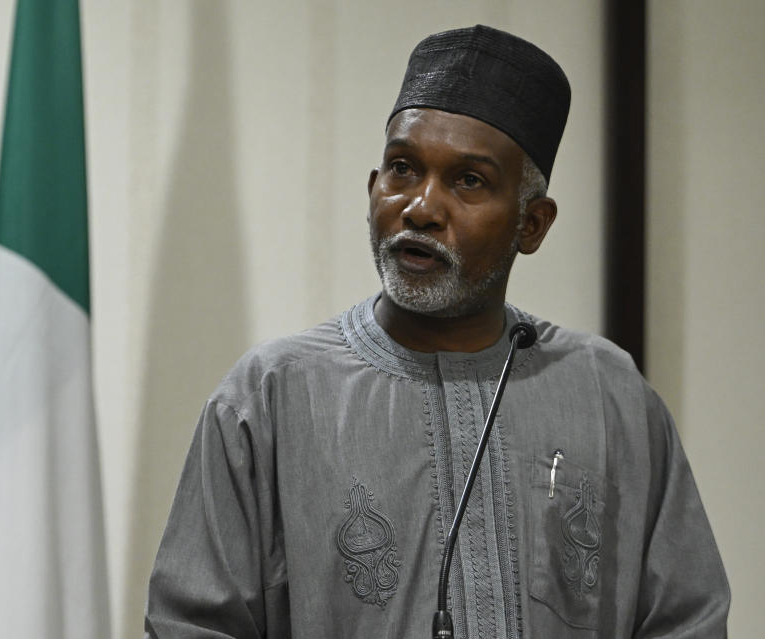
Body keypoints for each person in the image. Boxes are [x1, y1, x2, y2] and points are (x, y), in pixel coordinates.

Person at [144, 25, 729, 638]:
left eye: (468, 181)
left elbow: (687, 622)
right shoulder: (271, 396)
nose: (420, 207)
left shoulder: (610, 396)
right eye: (402, 169)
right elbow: (193, 625)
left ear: (532, 225)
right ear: (372, 189)